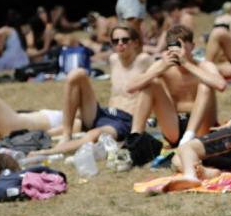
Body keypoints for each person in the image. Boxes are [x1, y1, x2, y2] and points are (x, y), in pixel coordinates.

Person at [35, 25, 152, 155]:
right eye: (115, 41)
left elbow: (162, 75)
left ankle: (48, 152)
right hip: (105, 113)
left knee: (93, 134)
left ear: (135, 43)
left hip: (125, 120)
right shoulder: (114, 59)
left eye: (125, 40)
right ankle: (66, 135)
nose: (120, 44)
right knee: (77, 73)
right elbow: (93, 52)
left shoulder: (144, 60)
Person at [128, 25, 227, 147]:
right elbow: (130, 88)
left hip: (201, 127)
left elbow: (221, 85)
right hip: (173, 125)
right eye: (175, 46)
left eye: (182, 46)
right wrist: (158, 70)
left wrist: (186, 64)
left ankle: (189, 136)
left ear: (192, 46)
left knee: (205, 84)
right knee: (152, 83)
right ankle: (135, 138)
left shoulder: (204, 65)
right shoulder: (163, 65)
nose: (179, 51)